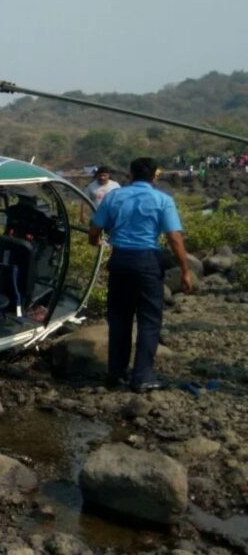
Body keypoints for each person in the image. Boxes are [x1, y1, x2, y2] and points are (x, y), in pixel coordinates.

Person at [88, 157, 193, 393]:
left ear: (130, 174)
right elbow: (174, 238)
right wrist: (185, 271)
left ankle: (115, 374)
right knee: (149, 321)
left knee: (119, 319)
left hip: (120, 260)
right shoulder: (162, 200)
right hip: (147, 262)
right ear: (155, 176)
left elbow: (95, 229)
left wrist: (95, 242)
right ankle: (143, 377)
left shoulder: (114, 196)